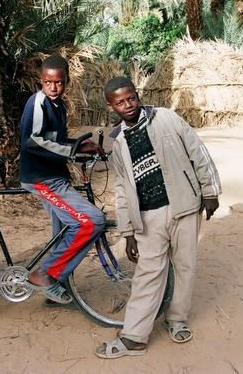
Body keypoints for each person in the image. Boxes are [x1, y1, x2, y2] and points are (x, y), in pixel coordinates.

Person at [95, 76, 222, 358]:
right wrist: (127, 232)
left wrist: (210, 192)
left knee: (185, 265)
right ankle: (135, 337)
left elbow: (197, 151)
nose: (128, 105)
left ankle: (177, 319)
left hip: (184, 206)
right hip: (148, 216)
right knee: (148, 273)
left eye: (131, 98)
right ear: (110, 106)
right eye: (120, 102)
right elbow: (122, 188)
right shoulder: (118, 142)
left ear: (137, 96)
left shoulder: (165, 118)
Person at [19, 55, 106, 304]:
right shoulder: (38, 103)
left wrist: (80, 146)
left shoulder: (59, 106)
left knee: (65, 229)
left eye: (59, 82)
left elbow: (55, 140)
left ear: (66, 81)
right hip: (41, 178)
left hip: (54, 175)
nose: (53, 87)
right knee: (91, 221)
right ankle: (46, 275)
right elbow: (33, 140)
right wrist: (71, 151)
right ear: (40, 81)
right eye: (48, 82)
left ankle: (52, 289)